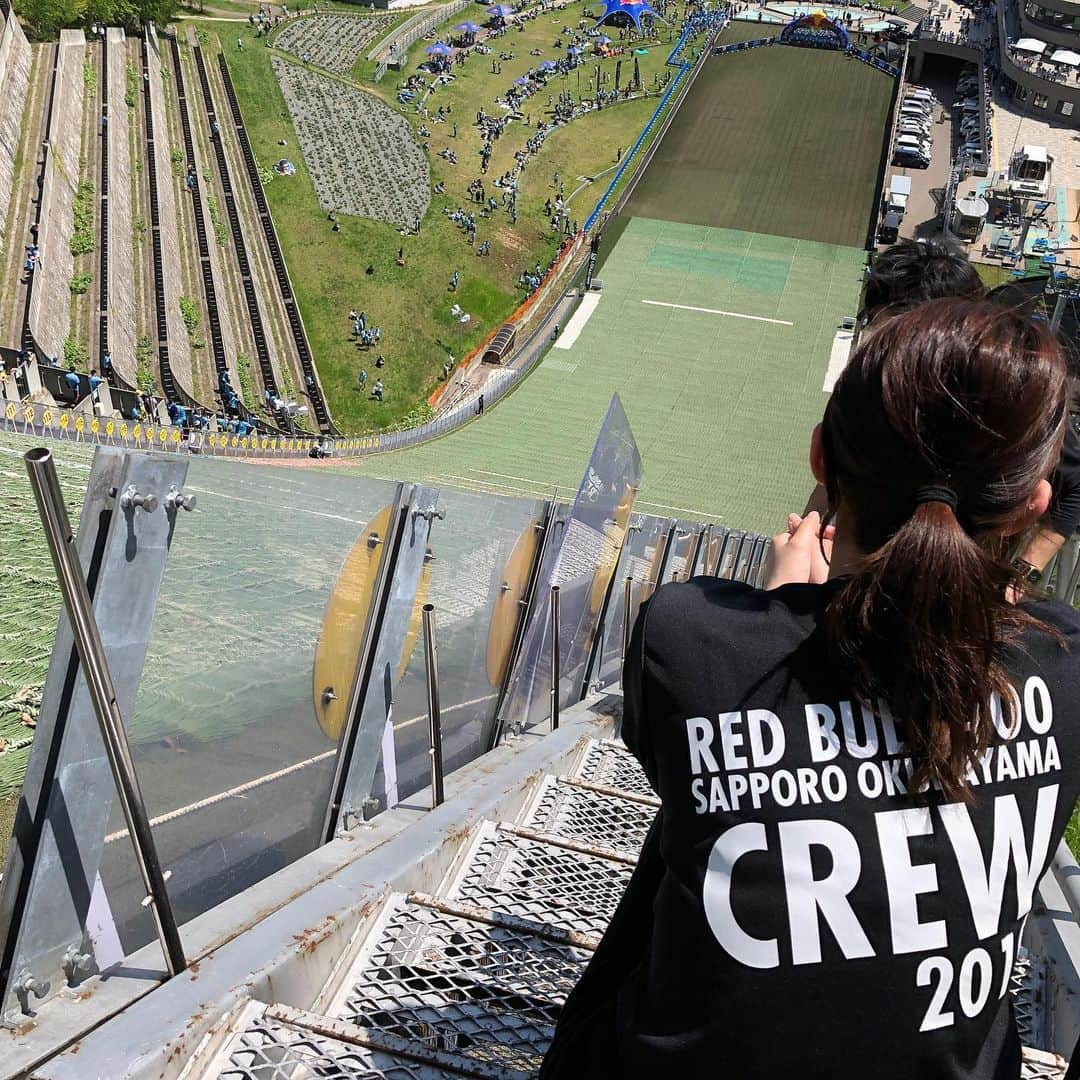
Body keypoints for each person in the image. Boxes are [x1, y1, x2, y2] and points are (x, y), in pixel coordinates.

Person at [541, 300, 1080, 1080]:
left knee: (695, 826)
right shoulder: (1063, 665)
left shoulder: (692, 637)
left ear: (820, 457)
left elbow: (693, 788)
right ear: (1032, 506)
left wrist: (775, 619)